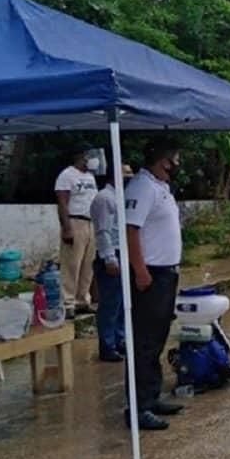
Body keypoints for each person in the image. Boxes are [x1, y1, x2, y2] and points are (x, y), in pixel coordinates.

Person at [123, 139, 185, 430]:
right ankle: (138, 408)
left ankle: (151, 397)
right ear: (164, 160)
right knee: (144, 342)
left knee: (157, 339)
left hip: (166, 274)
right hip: (151, 276)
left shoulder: (160, 186)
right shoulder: (142, 187)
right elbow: (130, 230)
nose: (177, 164)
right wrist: (140, 271)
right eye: (175, 158)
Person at [91, 161, 134, 363]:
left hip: (124, 252)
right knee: (110, 303)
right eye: (125, 173)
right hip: (111, 254)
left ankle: (119, 339)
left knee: (123, 301)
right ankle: (107, 345)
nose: (129, 176)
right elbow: (103, 231)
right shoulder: (104, 198)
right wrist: (108, 257)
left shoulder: (121, 196)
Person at [55, 143, 100, 316]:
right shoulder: (67, 175)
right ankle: (68, 302)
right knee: (71, 264)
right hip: (75, 222)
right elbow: (63, 202)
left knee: (88, 264)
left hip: (91, 222)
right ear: (82, 156)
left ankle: (82, 299)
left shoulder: (90, 176)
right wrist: (66, 227)